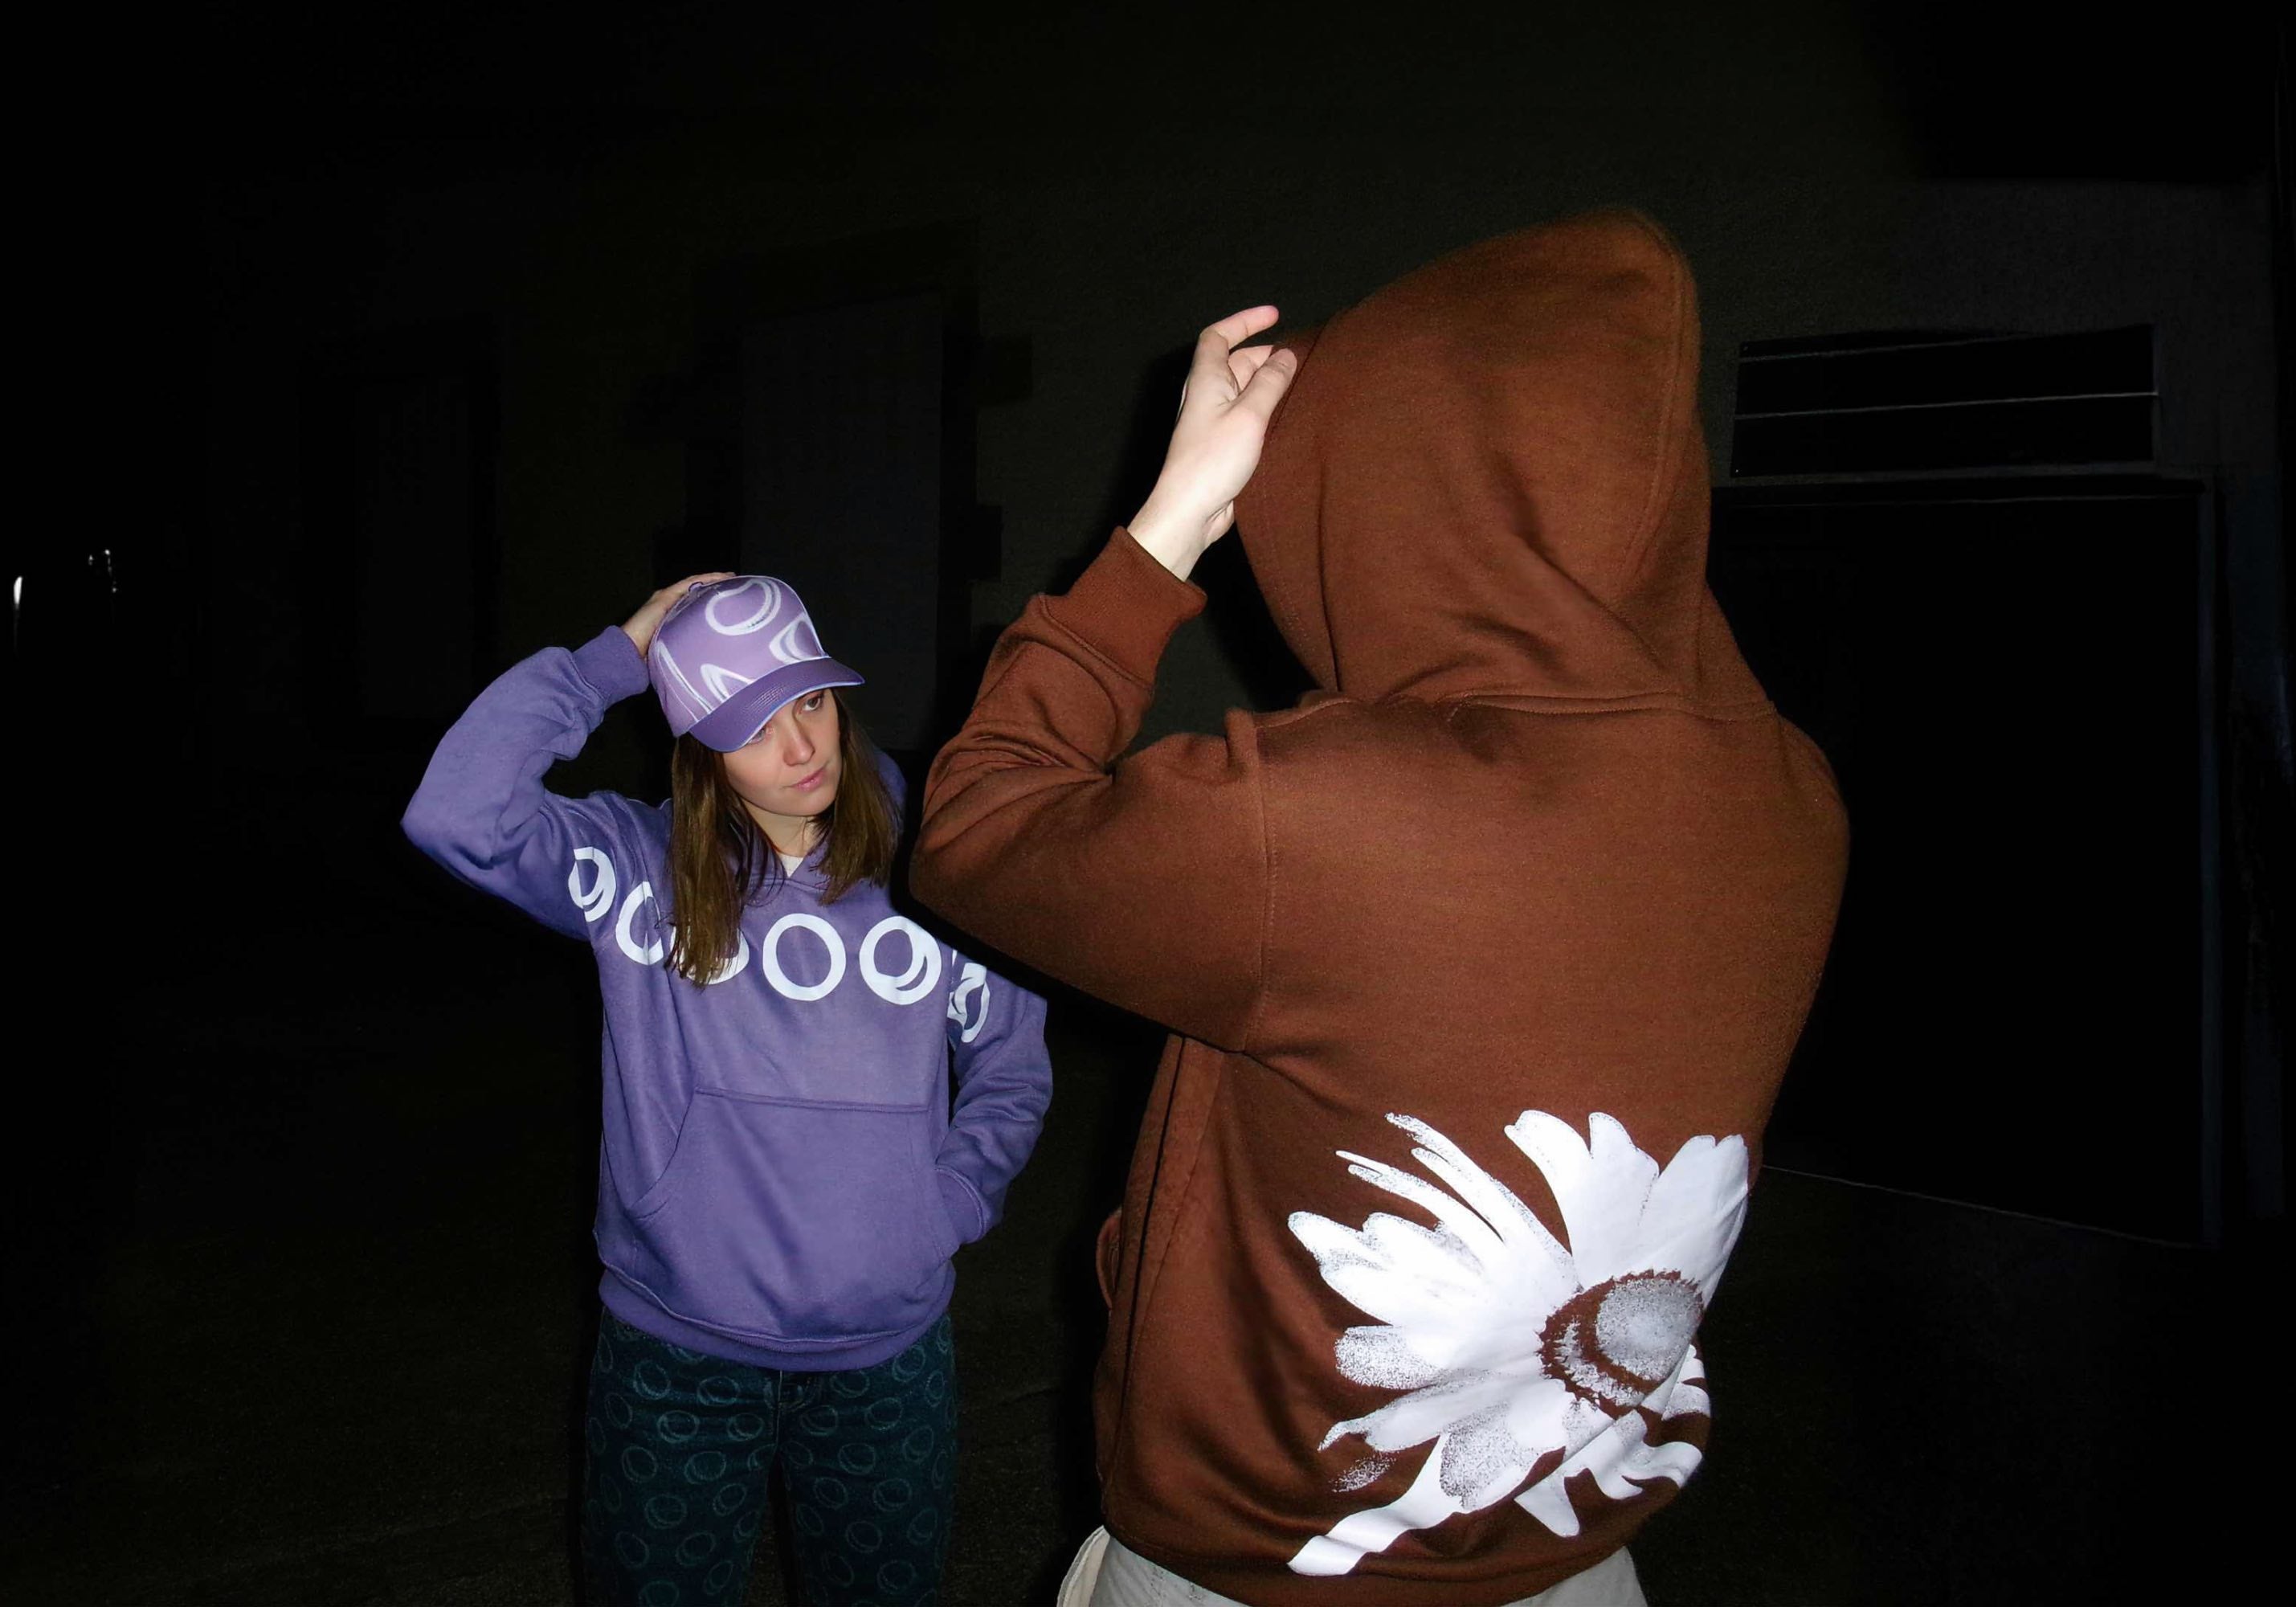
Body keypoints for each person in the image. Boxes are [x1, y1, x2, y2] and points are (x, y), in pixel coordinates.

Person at [911, 210, 1849, 1605]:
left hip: (1264, 1558)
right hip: (1575, 1542)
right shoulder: (1788, 789)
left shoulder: (1321, 816)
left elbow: (976, 829)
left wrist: (1168, 527)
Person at [402, 570, 1052, 1607]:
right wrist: (613, 660)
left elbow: (1011, 1063)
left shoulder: (940, 868)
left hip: (884, 1362)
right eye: (752, 726)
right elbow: (455, 813)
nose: (802, 747)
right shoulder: (636, 872)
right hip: (675, 1358)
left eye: (812, 701)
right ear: (700, 745)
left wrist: (951, 1201)